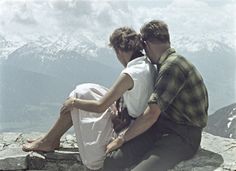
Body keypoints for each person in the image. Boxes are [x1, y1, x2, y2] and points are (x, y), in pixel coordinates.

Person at [22, 27, 156, 170]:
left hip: (128, 128)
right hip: (130, 117)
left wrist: (73, 103)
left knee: (76, 98)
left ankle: (48, 141)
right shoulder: (147, 64)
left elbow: (100, 106)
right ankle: (50, 139)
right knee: (83, 90)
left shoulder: (130, 73)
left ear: (119, 51)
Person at [103, 20, 209, 171]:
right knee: (113, 160)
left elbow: (151, 114)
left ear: (146, 44)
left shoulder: (171, 66)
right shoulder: (166, 63)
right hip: (163, 127)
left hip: (182, 137)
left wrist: (121, 138)